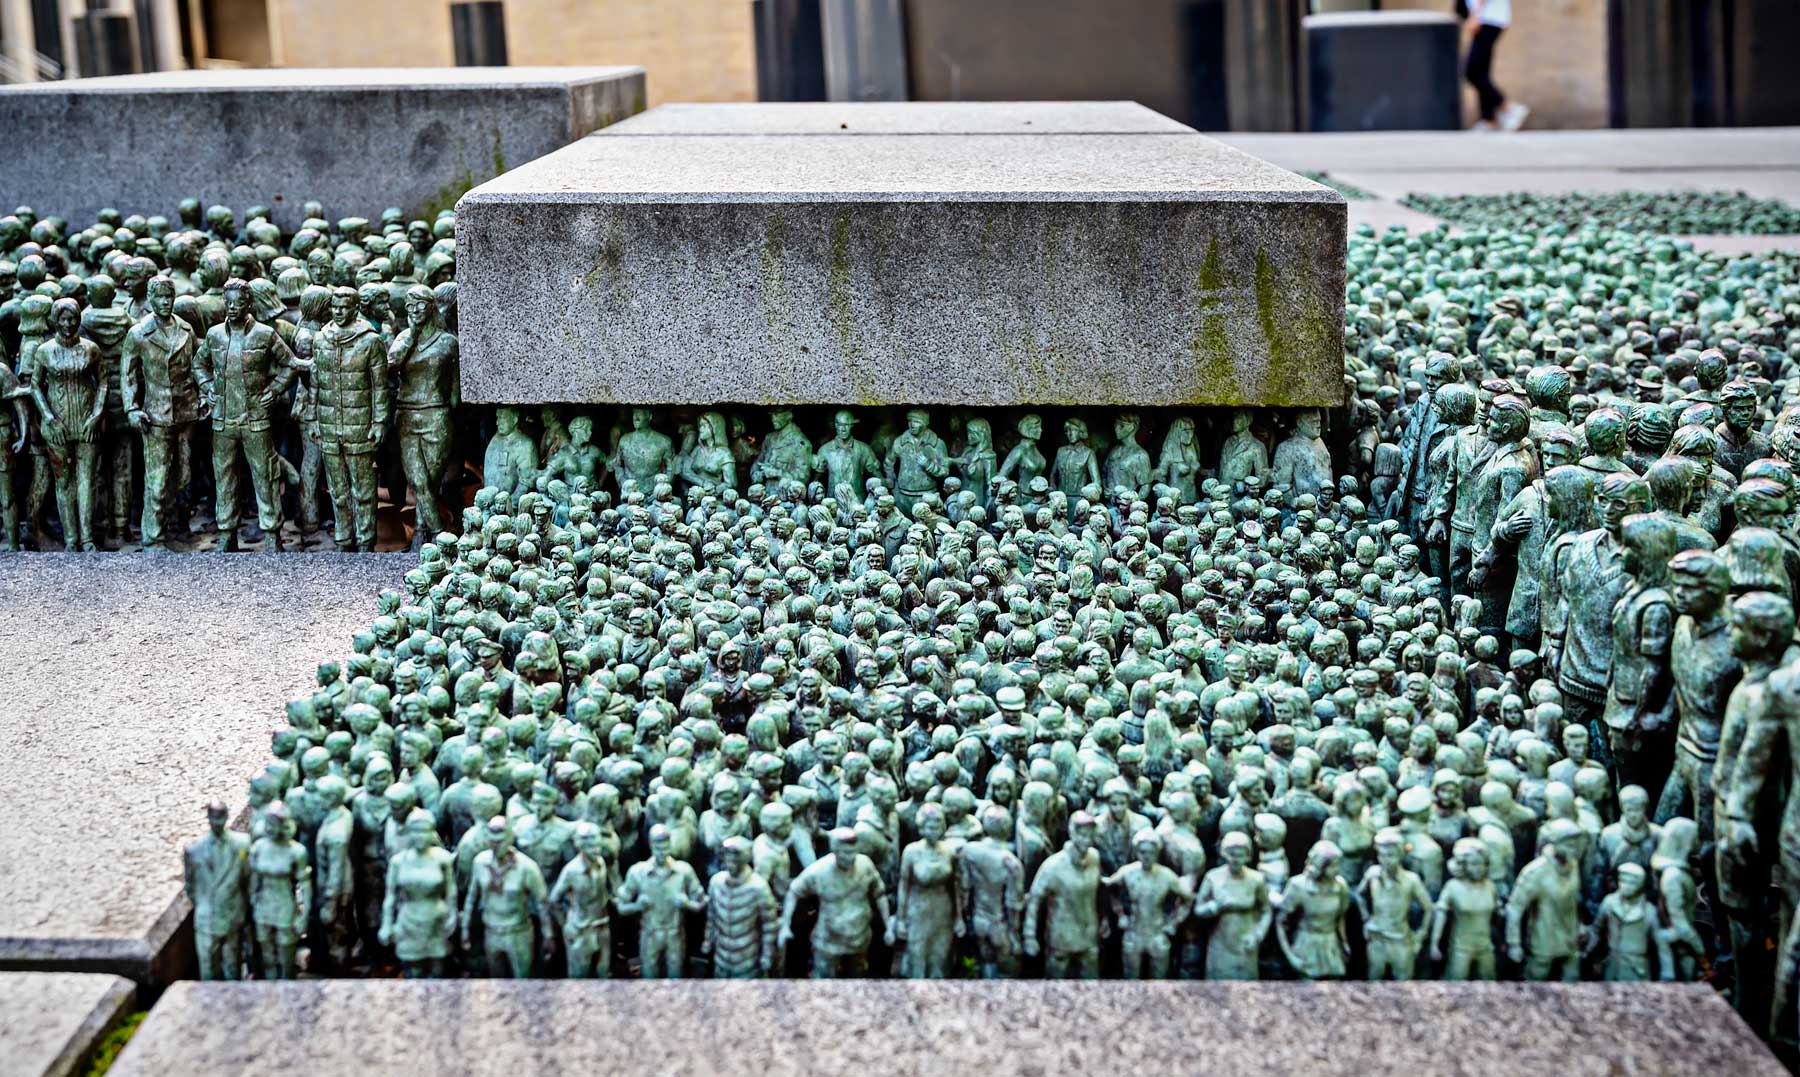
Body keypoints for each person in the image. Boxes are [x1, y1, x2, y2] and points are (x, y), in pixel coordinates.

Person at [1461, 0, 1527, 132]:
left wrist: (1475, 15)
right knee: (1481, 71)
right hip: (1487, 18)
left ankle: (1507, 107)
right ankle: (1488, 120)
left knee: (1472, 71)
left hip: (1487, 18)